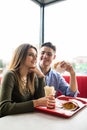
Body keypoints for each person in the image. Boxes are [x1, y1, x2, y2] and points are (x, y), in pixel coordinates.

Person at [0, 43, 55, 117]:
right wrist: (36, 102)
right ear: (20, 56)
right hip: (9, 121)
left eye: (36, 56)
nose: (35, 59)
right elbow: (4, 108)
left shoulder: (32, 76)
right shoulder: (10, 75)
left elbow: (40, 99)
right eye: (31, 55)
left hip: (25, 119)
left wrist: (41, 77)